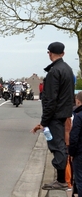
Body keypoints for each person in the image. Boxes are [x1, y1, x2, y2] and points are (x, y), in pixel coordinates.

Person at [31, 41, 74, 190]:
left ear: (49, 53)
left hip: (56, 115)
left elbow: (50, 99)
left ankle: (61, 181)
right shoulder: (68, 69)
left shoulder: (54, 72)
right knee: (61, 144)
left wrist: (44, 121)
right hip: (65, 113)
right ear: (63, 53)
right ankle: (62, 179)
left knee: (57, 146)